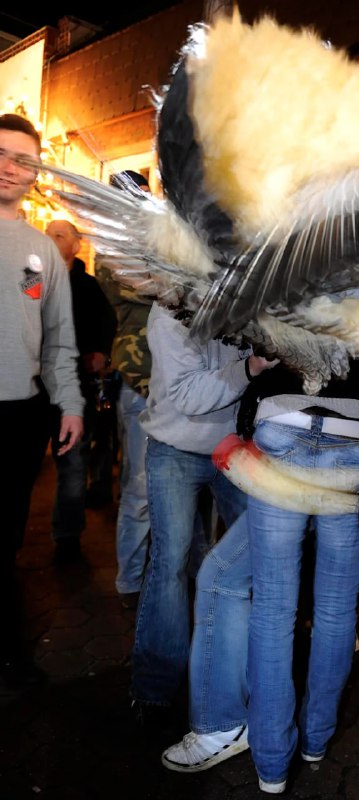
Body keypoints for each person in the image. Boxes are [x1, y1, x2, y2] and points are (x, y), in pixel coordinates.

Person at [161, 360, 359, 794]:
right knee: (337, 611)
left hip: (285, 420)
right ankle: (316, 743)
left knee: (273, 611)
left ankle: (272, 767)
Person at [130, 300, 277, 724]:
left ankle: (253, 674)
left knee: (259, 556)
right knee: (170, 564)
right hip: (175, 448)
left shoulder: (244, 299)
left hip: (237, 448)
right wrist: (250, 368)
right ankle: (155, 689)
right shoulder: (169, 311)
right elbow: (189, 396)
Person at [0, 113, 84, 691]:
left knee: (7, 537)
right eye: (2, 154)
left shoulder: (40, 252)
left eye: (24, 160)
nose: (10, 168)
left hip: (19, 416)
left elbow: (59, 339)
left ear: (36, 172)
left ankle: (7, 651)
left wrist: (71, 404)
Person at [45, 219, 117, 564]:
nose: (50, 240)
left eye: (59, 235)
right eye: (47, 234)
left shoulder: (89, 286)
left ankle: (68, 536)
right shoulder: (32, 278)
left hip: (74, 386)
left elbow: (107, 323)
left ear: (76, 245)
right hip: (32, 388)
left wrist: (101, 353)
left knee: (73, 462)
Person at [96, 169, 152, 607]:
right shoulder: (111, 248)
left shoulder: (157, 242)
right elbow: (149, 290)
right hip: (141, 379)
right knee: (139, 488)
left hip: (182, 382)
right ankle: (130, 580)